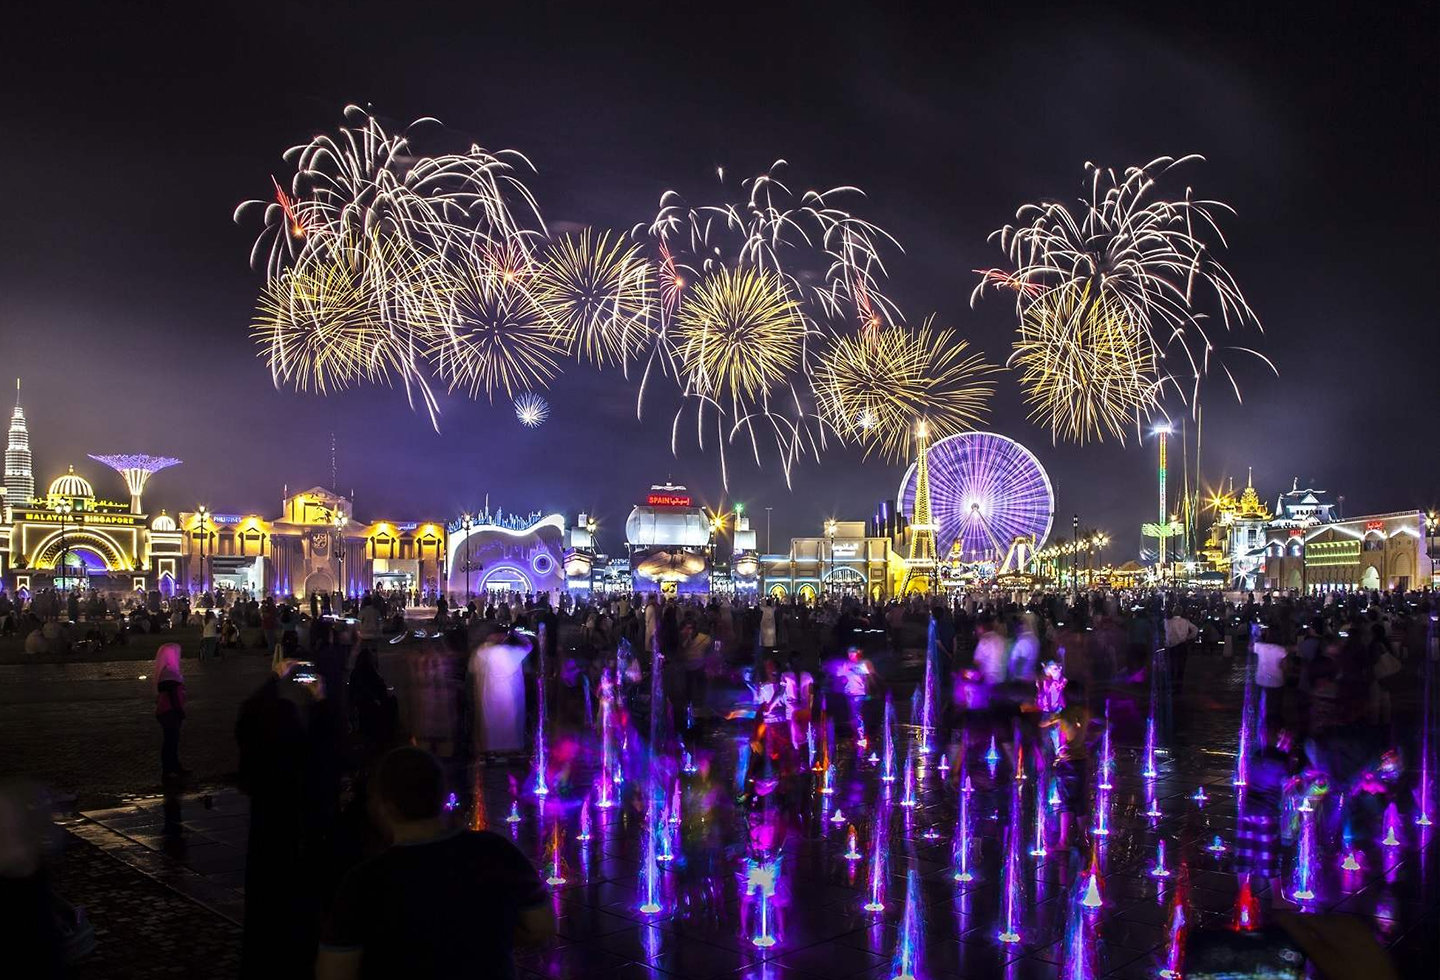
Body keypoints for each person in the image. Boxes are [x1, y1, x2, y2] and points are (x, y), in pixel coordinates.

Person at [316, 747, 553, 980]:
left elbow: (334, 971)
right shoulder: (497, 851)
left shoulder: (364, 882)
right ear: (442, 795)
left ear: (383, 806)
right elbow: (540, 927)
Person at [154, 642, 187, 779]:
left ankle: (173, 767)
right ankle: (169, 769)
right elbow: (172, 694)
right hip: (169, 711)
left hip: (168, 710)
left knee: (172, 741)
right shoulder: (169, 672)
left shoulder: (167, 671)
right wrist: (179, 711)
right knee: (170, 741)